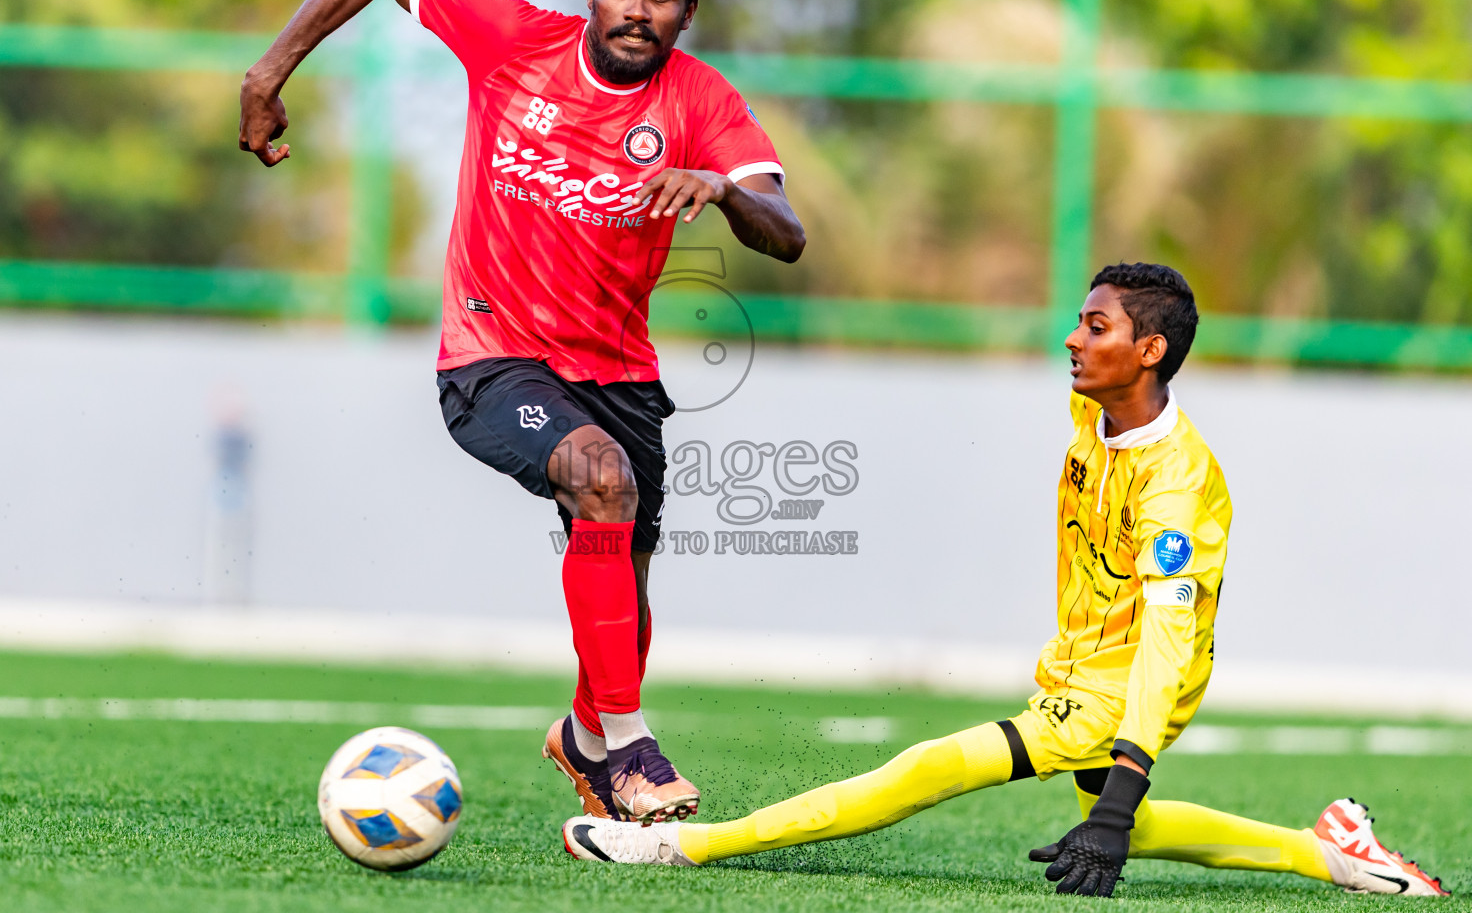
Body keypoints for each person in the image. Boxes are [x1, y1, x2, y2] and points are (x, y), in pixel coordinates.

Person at [559, 263, 1449, 899]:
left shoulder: (1176, 487)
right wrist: (1117, 814)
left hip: (1120, 691)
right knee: (1129, 826)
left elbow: (1170, 649)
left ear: (1148, 351)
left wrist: (1127, 782)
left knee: (927, 768)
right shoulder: (1099, 407)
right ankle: (1331, 854)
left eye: (1094, 327)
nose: (1072, 336)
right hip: (1077, 667)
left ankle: (685, 847)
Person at [238, 0, 805, 825]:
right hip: (491, 354)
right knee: (600, 478)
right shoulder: (512, 39)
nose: (637, 10)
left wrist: (726, 188)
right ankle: (628, 745)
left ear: (688, 11)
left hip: (620, 372)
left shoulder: (703, 103)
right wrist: (267, 74)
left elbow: (787, 232)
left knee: (629, 581)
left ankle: (586, 733)